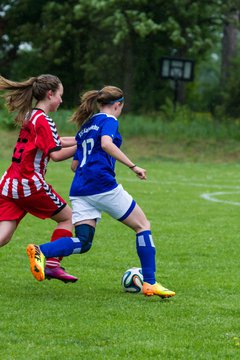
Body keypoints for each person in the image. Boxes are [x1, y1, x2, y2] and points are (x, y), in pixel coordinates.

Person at [26, 85, 175, 298]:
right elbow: (106, 143)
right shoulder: (109, 121)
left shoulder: (87, 125)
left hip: (79, 188)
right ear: (118, 105)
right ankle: (150, 282)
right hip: (101, 185)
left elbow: (74, 166)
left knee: (84, 242)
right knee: (143, 225)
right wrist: (133, 166)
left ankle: (42, 250)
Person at [0, 74, 78, 283]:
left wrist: (84, 138)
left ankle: (52, 264)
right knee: (68, 218)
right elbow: (56, 153)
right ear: (50, 94)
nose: (61, 100)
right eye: (60, 95)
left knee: (3, 236)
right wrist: (83, 146)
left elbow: (56, 140)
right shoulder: (44, 120)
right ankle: (52, 264)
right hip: (29, 185)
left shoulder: (30, 116)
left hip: (9, 184)